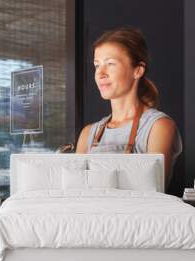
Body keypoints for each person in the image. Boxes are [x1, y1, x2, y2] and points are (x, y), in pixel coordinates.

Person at [76, 27, 182, 184]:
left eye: (110, 63)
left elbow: (154, 189)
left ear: (138, 71)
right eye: (97, 65)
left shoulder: (158, 127)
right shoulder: (88, 134)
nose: (100, 73)